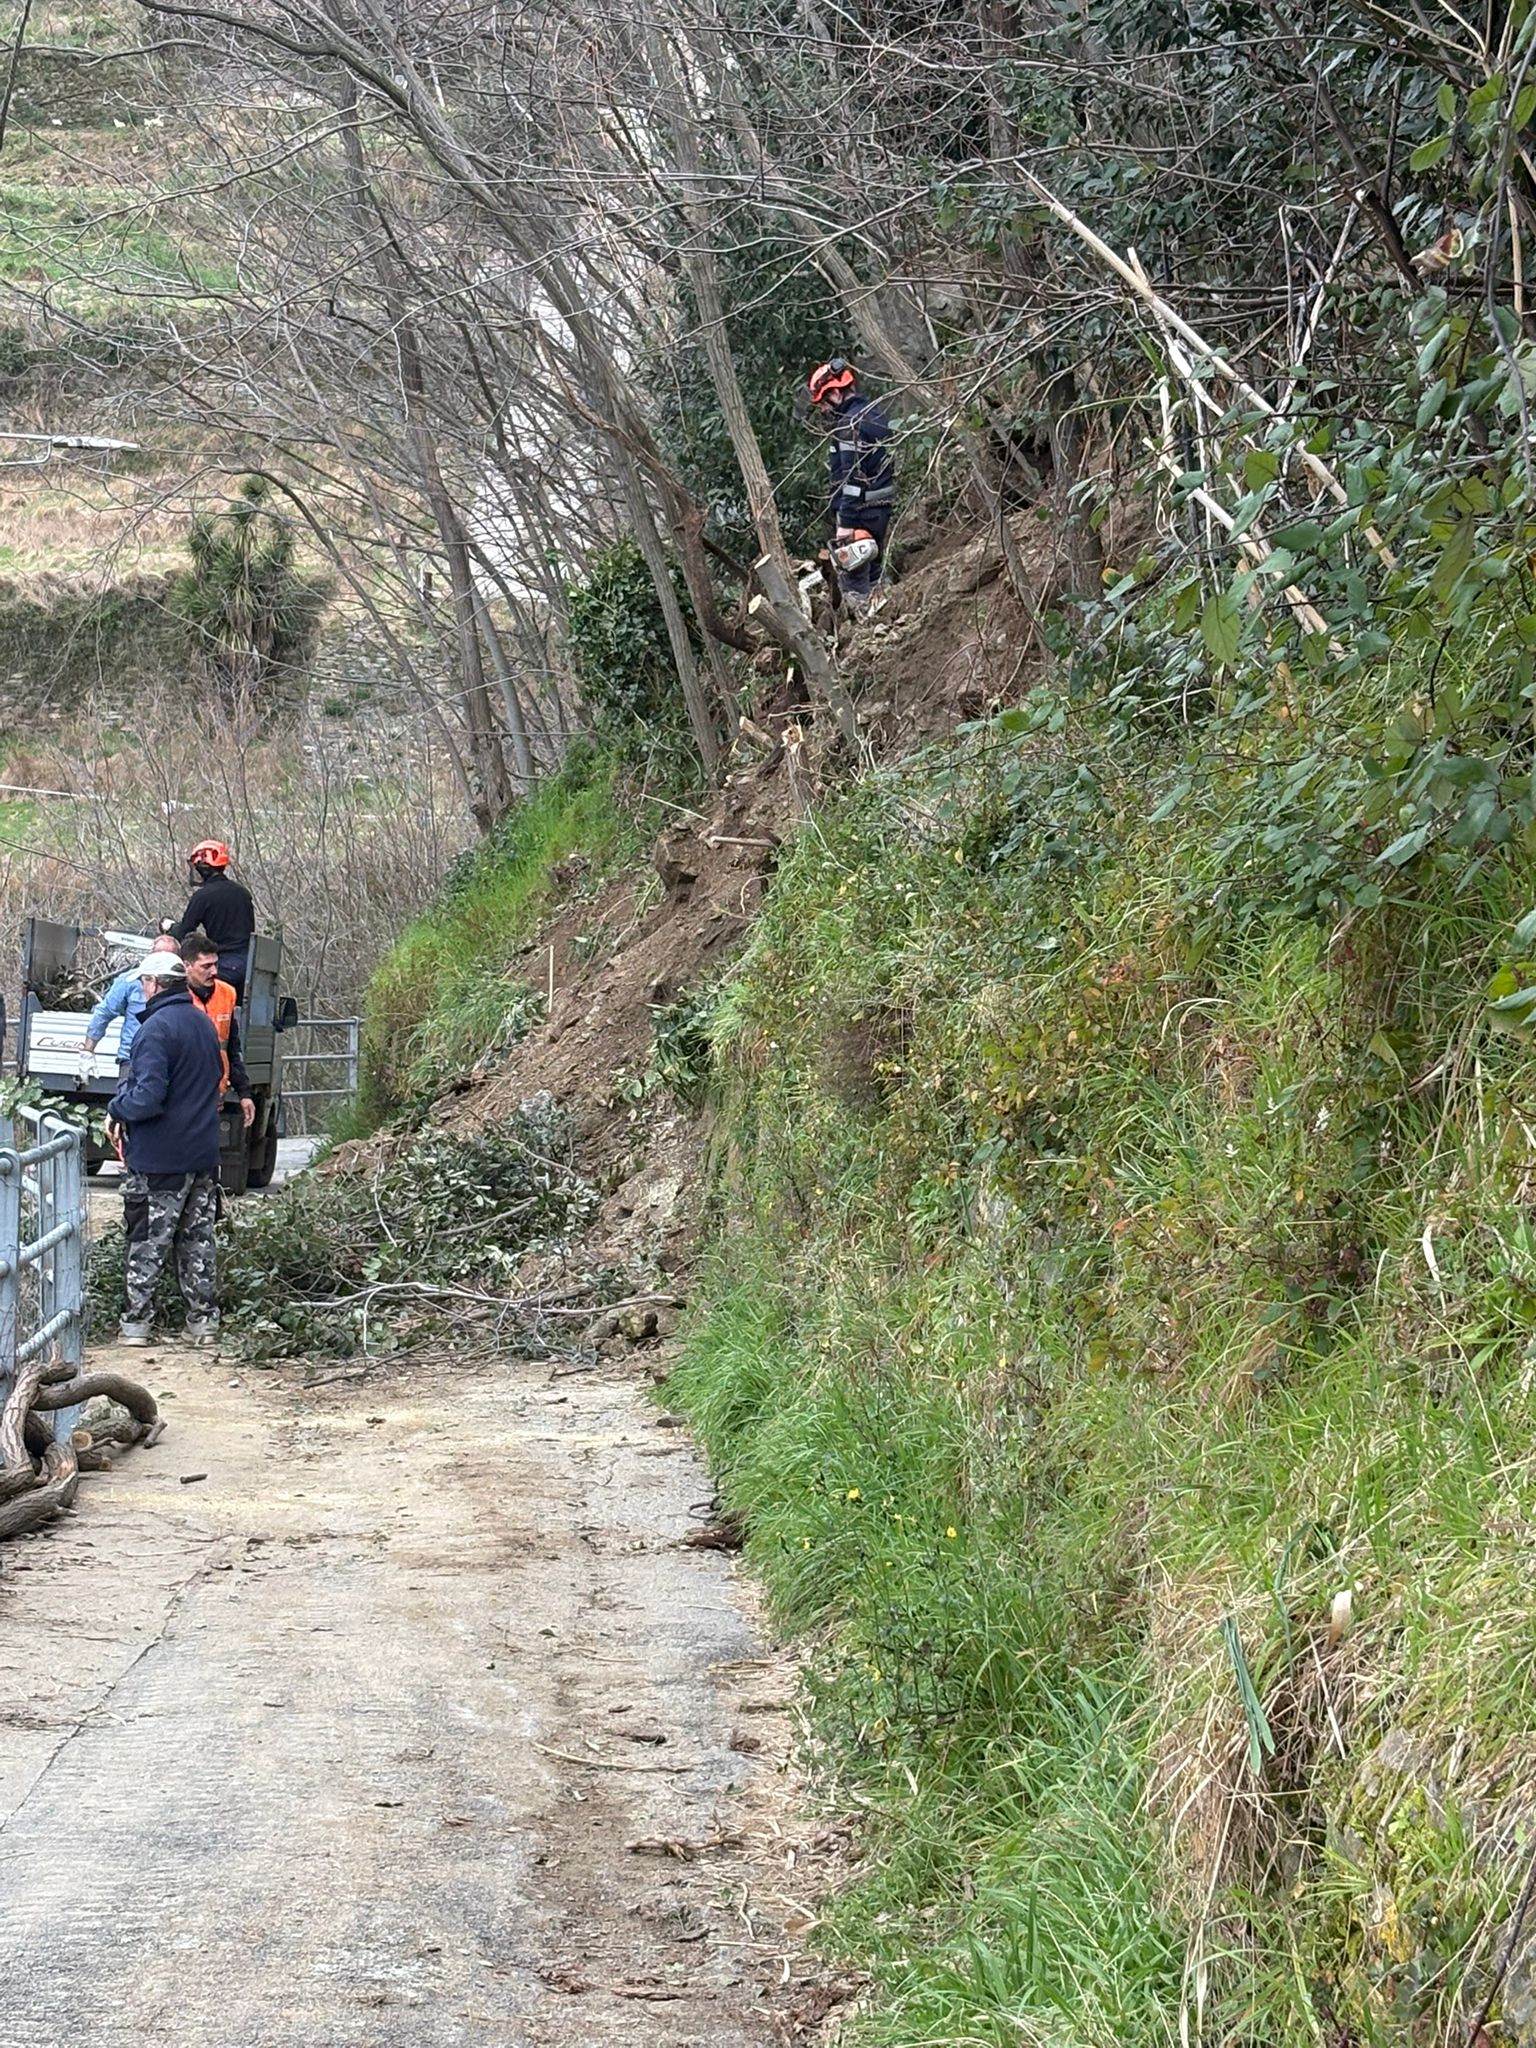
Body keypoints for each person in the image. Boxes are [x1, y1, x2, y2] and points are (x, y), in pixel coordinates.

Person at [106, 952, 224, 1348]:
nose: (142, 991)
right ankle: (204, 1321)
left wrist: (116, 1108)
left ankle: (137, 1324)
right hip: (202, 1155)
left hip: (159, 1159)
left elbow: (148, 1097)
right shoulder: (203, 1024)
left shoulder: (155, 1030)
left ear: (153, 984)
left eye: (143, 984)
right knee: (198, 1241)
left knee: (147, 1241)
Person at [806, 358, 896, 612]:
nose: (823, 409)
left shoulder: (849, 425)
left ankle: (868, 633)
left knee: (854, 583)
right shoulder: (874, 413)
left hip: (860, 511)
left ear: (835, 393)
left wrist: (845, 523)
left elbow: (851, 480)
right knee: (875, 569)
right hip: (881, 504)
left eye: (824, 402)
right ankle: (889, 616)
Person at [80, 932, 181, 1079]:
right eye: (157, 954)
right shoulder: (130, 980)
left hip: (170, 1061)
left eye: (168, 955)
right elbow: (105, 1012)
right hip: (132, 1060)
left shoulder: (185, 986)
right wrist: (88, 1051)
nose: (161, 959)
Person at [181, 933, 256, 1131]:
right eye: (206, 966)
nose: (213, 971)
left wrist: (244, 1093)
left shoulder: (227, 993)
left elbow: (231, 1047)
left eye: (215, 964)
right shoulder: (175, 997)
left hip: (216, 1096)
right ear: (186, 966)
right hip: (183, 1098)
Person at [172, 840, 255, 997]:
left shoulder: (202, 896)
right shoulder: (242, 893)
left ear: (204, 868)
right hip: (250, 964)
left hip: (224, 964)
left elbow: (185, 930)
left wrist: (170, 929)